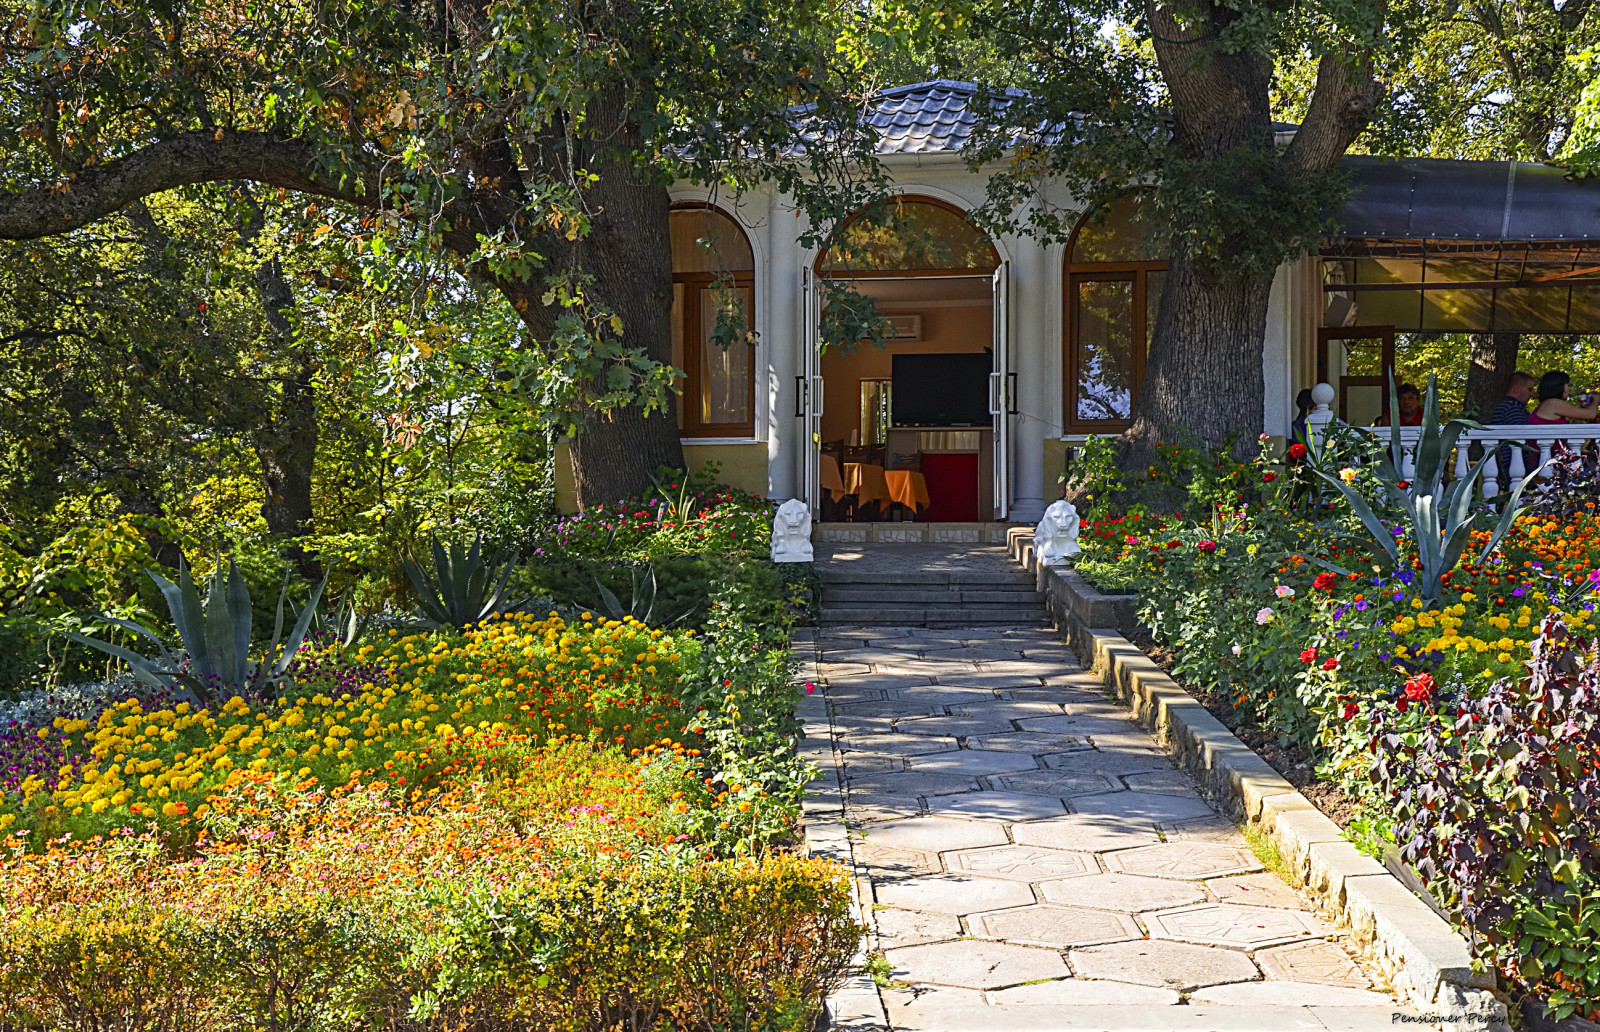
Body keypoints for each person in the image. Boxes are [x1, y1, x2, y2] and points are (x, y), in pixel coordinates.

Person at [1528, 370, 1600, 456]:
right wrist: (1596, 399)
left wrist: (1579, 415)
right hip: (1546, 461)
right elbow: (1591, 414)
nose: (1569, 389)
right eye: (1567, 385)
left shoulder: (1547, 404)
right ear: (1558, 386)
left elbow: (1573, 430)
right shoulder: (1553, 403)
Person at [1489, 371, 1538, 483]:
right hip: (1513, 466)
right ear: (1516, 389)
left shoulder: (1506, 406)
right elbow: (1524, 436)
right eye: (1529, 389)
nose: (1531, 394)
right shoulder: (1513, 407)